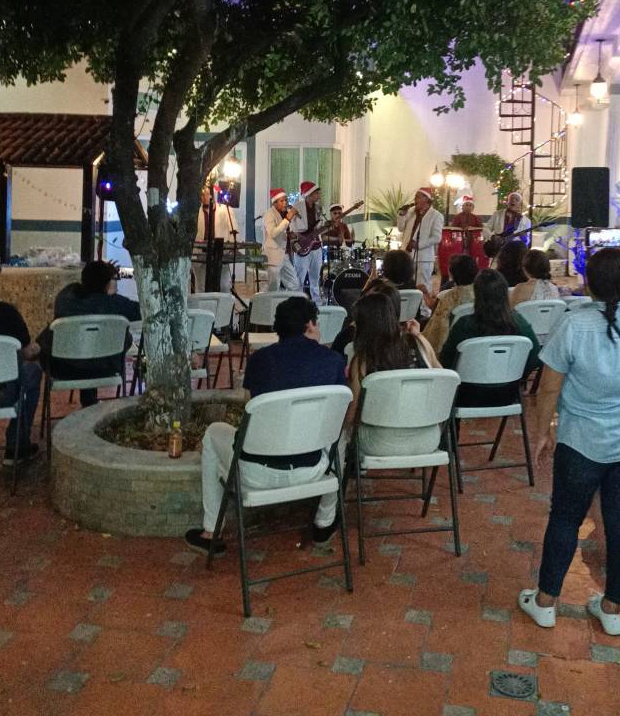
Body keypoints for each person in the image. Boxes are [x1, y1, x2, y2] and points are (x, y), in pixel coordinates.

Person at [518, 231, 620, 637]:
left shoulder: (575, 324)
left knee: (565, 518)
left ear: (588, 285)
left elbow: (549, 388)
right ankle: (613, 608)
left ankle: (546, 602)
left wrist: (542, 432)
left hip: (582, 442)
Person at [185, 296, 347, 556]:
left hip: (255, 472)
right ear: (309, 325)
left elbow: (251, 407)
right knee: (339, 437)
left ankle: (211, 531)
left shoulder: (260, 360)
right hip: (311, 470)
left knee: (213, 433)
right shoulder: (334, 361)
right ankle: (324, 523)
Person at [348, 290, 440, 457]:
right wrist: (419, 336)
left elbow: (353, 414)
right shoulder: (419, 343)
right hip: (428, 437)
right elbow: (444, 381)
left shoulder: (362, 360)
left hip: (381, 441)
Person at [0, 256, 42, 465]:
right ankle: (16, 445)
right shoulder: (6, 313)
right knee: (31, 370)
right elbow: (27, 353)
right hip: (1, 394)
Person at [440, 269, 540, 404]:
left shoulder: (463, 325)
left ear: (477, 295)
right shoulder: (519, 323)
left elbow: (446, 361)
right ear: (505, 294)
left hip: (467, 394)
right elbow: (535, 357)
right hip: (509, 394)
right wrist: (517, 373)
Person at [50, 260, 141, 407]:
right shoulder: (114, 304)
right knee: (123, 338)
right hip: (106, 368)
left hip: (65, 368)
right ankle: (90, 402)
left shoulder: (66, 298)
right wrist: (112, 292)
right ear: (107, 284)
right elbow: (141, 310)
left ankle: (89, 402)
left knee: (87, 344)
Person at [396, 188, 444, 309]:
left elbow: (437, 237)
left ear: (426, 199)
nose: (415, 199)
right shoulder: (411, 212)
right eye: (416, 196)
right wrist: (401, 215)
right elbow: (401, 228)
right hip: (407, 255)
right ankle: (410, 310)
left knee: (423, 285)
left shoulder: (436, 215)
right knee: (408, 285)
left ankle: (424, 311)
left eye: (418, 197)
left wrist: (419, 244)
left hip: (424, 257)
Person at [422, 253, 478, 355]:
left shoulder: (447, 297)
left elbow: (435, 333)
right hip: (476, 347)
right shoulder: (481, 294)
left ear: (451, 273)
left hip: (451, 350)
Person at [194, 184, 240, 291]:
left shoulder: (225, 210)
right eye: (202, 195)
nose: (204, 197)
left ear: (213, 195)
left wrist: (231, 248)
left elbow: (234, 230)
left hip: (220, 253)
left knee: (224, 285)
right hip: (201, 253)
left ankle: (223, 302)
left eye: (207, 194)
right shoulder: (195, 212)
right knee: (201, 287)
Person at [290, 181, 325, 305]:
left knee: (315, 277)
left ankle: (317, 303)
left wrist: (328, 226)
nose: (319, 195)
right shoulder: (297, 207)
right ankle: (298, 303)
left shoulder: (319, 208)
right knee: (299, 277)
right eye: (316, 193)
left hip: (316, 246)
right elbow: (291, 225)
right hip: (302, 244)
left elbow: (321, 226)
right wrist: (297, 239)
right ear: (309, 194)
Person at [262, 188, 300, 292]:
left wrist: (289, 235)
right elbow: (273, 233)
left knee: (294, 284)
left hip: (284, 254)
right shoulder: (269, 214)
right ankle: (269, 302)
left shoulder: (284, 213)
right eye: (281, 201)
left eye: (286, 200)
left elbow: (282, 231)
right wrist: (287, 219)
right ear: (274, 203)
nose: (285, 203)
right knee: (273, 286)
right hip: (273, 255)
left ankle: (287, 301)